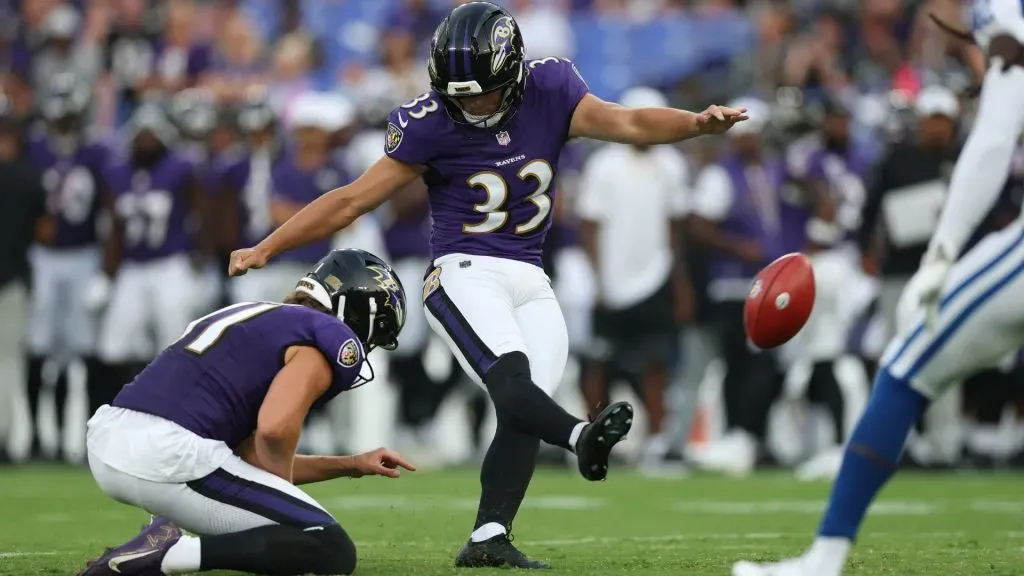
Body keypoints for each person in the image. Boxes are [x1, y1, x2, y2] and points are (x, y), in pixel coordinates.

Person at [228, 1, 747, 568]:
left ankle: (488, 537)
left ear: (515, 72)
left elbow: (628, 122)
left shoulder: (552, 89)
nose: (471, 104)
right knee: (515, 385)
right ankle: (580, 438)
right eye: (460, 94)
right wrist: (268, 246)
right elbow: (352, 199)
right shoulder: (431, 121)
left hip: (532, 275)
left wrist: (694, 124)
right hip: (462, 272)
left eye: (483, 92)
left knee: (525, 406)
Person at [732, 2, 1024, 574]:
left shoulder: (1005, 17)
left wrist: (943, 250)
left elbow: (993, 136)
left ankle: (826, 553)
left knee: (904, 364)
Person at [78, 248, 414, 576]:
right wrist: (285, 510)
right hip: (170, 454)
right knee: (328, 546)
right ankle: (170, 554)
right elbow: (274, 431)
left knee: (290, 525)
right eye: (377, 333)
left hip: (113, 441)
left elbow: (248, 462)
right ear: (358, 312)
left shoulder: (252, 314)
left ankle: (160, 537)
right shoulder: (326, 336)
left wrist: (350, 465)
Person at [576, 86, 693, 474]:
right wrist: (596, 281)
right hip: (610, 283)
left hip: (655, 278)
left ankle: (657, 445)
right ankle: (593, 442)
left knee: (656, 365)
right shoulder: (604, 165)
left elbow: (674, 230)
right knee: (598, 366)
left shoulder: (672, 164)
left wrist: (680, 286)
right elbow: (590, 228)